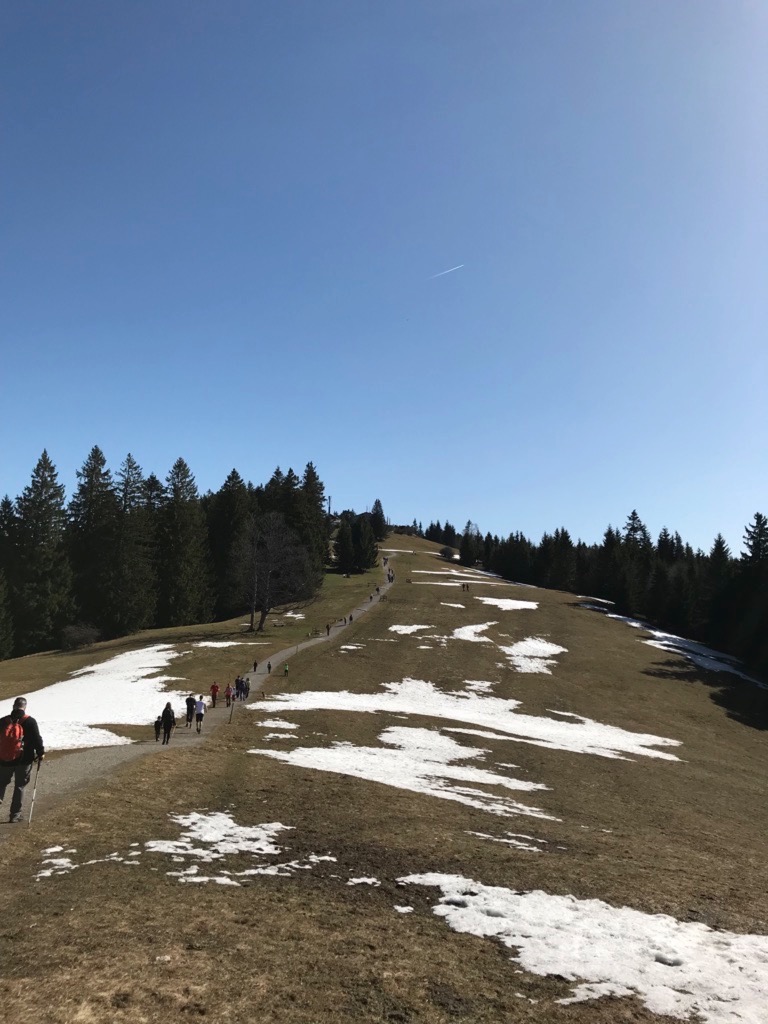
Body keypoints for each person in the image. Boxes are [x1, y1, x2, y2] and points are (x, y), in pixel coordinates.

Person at [0, 697, 45, 824]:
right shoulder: (30, 721)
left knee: (1, 783)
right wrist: (41, 752)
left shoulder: (3, 721)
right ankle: (15, 815)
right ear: (24, 707)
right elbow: (37, 738)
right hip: (24, 760)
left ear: (13, 706)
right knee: (19, 786)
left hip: (4, 759)